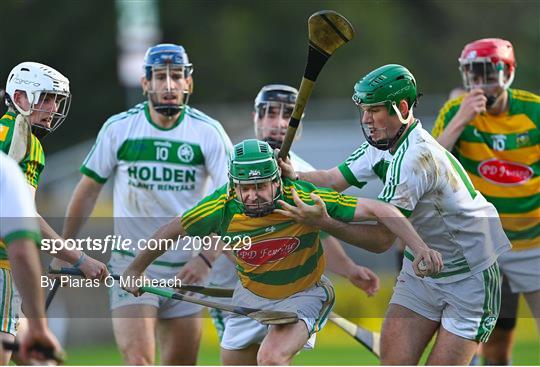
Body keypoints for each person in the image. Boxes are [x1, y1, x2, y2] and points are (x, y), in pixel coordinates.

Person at [122, 138, 442, 366]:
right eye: (245, 188)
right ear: (233, 185)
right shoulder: (220, 206)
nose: (253, 196)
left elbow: (379, 209)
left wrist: (419, 247)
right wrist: (136, 270)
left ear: (277, 181)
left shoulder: (300, 196)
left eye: (261, 186)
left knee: (271, 359)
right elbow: (171, 230)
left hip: (305, 293)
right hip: (249, 297)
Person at [278, 64, 511, 364]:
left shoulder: (415, 159)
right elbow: (333, 179)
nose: (366, 119)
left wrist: (323, 223)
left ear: (402, 108)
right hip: (422, 271)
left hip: (471, 275)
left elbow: (380, 239)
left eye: (374, 110)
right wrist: (293, 176)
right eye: (364, 110)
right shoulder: (381, 144)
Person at [62, 43, 233, 365]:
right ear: (145, 84)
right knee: (139, 361)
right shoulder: (119, 128)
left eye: (176, 76)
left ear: (188, 83)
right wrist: (66, 247)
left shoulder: (208, 132)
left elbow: (229, 202)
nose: (168, 85)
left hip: (187, 272)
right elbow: (87, 190)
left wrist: (205, 260)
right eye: (159, 77)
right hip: (131, 266)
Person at [207, 84, 381, 342]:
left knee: (275, 357)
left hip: (286, 295)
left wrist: (350, 269)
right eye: (269, 114)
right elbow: (213, 230)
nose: (278, 124)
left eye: (288, 116)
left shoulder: (303, 172)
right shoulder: (232, 166)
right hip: (232, 289)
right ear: (256, 118)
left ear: (299, 126)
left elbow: (318, 233)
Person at [432, 38, 539, 364]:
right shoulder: (456, 111)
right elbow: (428, 168)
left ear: (507, 73)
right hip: (482, 247)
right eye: (473, 76)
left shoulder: (534, 111)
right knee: (490, 342)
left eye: (487, 75)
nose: (481, 85)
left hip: (532, 243)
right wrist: (460, 119)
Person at [1, 62, 108, 359]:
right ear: (20, 98)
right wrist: (79, 258)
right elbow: (24, 219)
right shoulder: (26, 143)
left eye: (57, 100)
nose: (53, 108)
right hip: (2, 266)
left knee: (39, 358)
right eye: (46, 98)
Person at [0, 151, 63, 364]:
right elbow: (21, 251)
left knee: (43, 362)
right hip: (2, 269)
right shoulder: (7, 168)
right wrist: (39, 327)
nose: (53, 114)